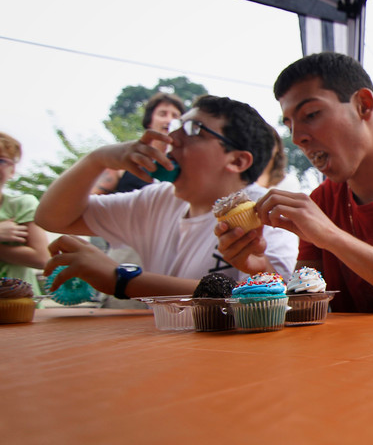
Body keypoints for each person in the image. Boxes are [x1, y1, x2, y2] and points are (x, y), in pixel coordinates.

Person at [215, 52, 373, 313]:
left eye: (311, 114)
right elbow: (302, 305)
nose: (297, 138)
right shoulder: (322, 200)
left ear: (363, 105)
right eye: (289, 124)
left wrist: (331, 237)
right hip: (349, 355)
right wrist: (263, 270)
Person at [36, 95, 298, 299]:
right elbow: (52, 218)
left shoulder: (264, 211)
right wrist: (98, 159)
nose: (171, 137)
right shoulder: (156, 200)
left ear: (238, 160)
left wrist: (123, 280)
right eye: (177, 127)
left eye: (194, 129)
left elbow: (267, 298)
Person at [92, 92, 185, 195]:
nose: (169, 120)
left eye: (175, 116)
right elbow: (88, 201)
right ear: (149, 121)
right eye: (162, 114)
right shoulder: (125, 160)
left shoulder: (186, 168)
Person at [0, 131, 49, 294]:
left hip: (22, 306)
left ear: (12, 169)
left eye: (1, 160)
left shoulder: (22, 204)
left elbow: (41, 258)